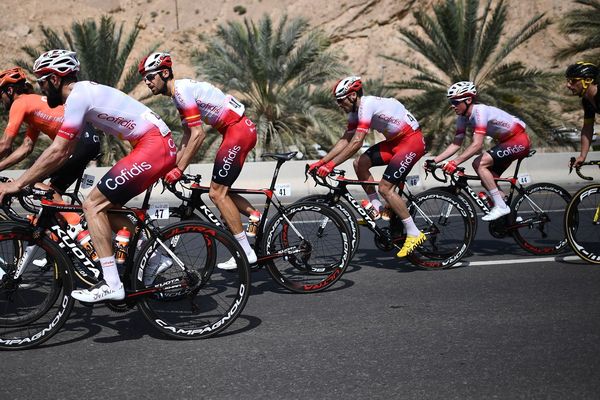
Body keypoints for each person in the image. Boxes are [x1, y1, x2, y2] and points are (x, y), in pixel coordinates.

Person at [0, 50, 177, 303]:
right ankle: (156, 257)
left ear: (55, 79)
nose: (39, 87)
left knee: (92, 204)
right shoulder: (80, 95)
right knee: (105, 207)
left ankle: (112, 284)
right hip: (153, 144)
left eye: (41, 80)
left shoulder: (77, 97)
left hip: (153, 145)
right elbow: (64, 153)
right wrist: (30, 182)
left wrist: (18, 183)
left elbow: (58, 150)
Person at [138, 52, 259, 270]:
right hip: (236, 130)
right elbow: (186, 136)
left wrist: (178, 169)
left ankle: (245, 252)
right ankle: (253, 214)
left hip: (237, 131)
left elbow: (198, 135)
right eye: (145, 78)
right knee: (221, 189)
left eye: (150, 76)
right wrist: (171, 167)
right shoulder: (179, 94)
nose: (146, 82)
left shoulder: (182, 92)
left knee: (216, 193)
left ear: (164, 73)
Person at [308, 76, 426, 258]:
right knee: (360, 163)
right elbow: (345, 139)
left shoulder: (367, 105)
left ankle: (414, 232)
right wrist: (323, 162)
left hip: (411, 140)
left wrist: (331, 165)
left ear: (353, 96)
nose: (339, 104)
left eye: (341, 100)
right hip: (394, 142)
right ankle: (378, 208)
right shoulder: (356, 112)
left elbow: (356, 142)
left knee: (385, 188)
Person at [0, 67, 102, 233]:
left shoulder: (19, 103)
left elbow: (5, 145)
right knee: (52, 194)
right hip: (86, 139)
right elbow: (26, 148)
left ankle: (76, 227)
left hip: (79, 140)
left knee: (33, 180)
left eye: (0, 95)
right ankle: (57, 245)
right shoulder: (32, 104)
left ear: (10, 90)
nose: (1, 100)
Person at [426, 81, 531, 221]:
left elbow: (477, 145)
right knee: (487, 179)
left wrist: (454, 162)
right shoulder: (462, 118)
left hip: (518, 140)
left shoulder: (480, 112)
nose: (452, 105)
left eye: (455, 101)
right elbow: (456, 144)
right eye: (451, 101)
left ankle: (501, 206)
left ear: (468, 100)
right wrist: (434, 161)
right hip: (506, 142)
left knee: (479, 163)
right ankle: (510, 217)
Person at [565, 61, 599, 168]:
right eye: (568, 81)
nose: (568, 85)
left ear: (588, 81)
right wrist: (582, 156)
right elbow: (588, 128)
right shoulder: (587, 101)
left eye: (573, 81)